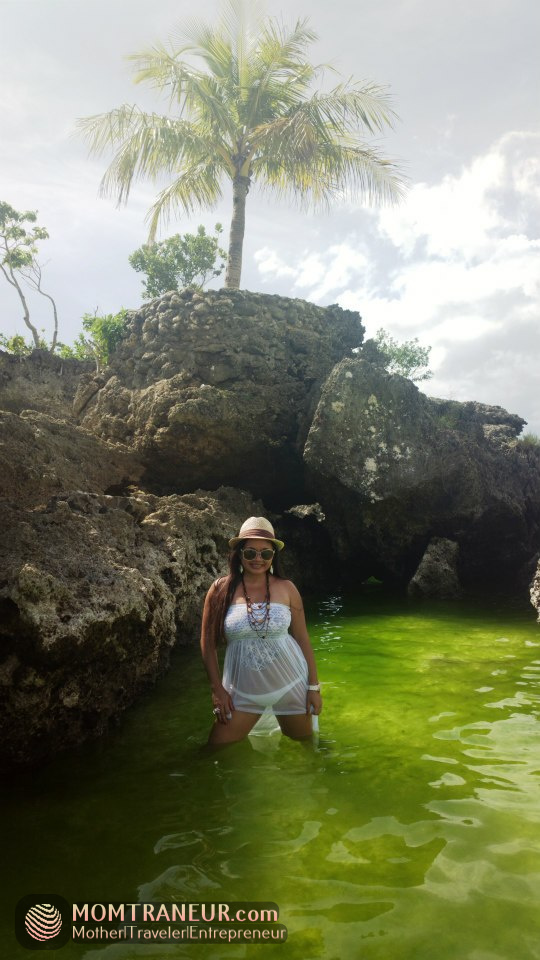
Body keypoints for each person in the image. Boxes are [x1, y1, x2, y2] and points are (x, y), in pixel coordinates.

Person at [200, 516, 323, 746]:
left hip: (291, 684)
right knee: (215, 749)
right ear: (239, 552)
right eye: (250, 553)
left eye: (266, 553)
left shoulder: (287, 588)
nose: (258, 559)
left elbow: (302, 639)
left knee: (308, 753)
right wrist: (217, 690)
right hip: (242, 692)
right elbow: (207, 643)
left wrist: (313, 687)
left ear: (273, 556)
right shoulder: (219, 589)